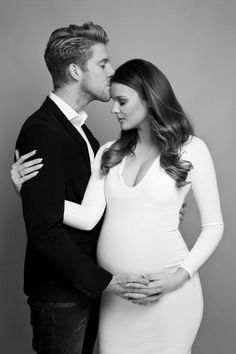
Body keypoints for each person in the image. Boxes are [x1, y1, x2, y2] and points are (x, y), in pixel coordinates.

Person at [11, 58, 223, 353]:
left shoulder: (191, 148)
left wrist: (178, 277)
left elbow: (214, 226)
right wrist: (31, 194)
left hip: (170, 296)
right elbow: (87, 216)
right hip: (115, 298)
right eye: (113, 101)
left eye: (122, 101)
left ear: (149, 98)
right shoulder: (109, 152)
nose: (113, 109)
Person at [12, 24, 156, 354]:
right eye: (103, 64)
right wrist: (104, 281)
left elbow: (91, 203)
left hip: (82, 290)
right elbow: (44, 231)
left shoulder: (81, 131)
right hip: (61, 295)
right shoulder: (42, 131)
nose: (112, 71)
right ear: (76, 71)